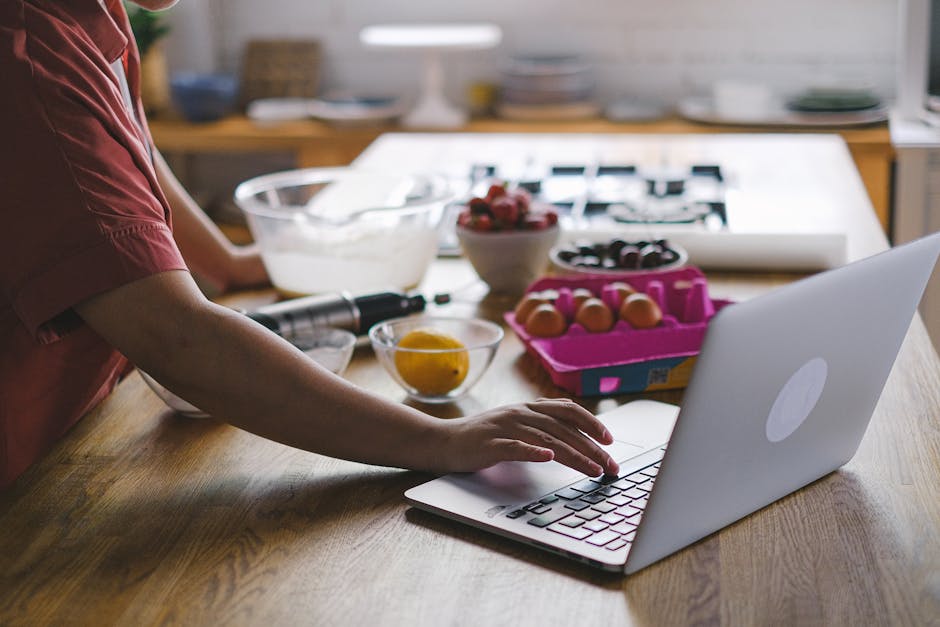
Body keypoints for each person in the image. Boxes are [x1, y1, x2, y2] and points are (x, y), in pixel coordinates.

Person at [0, 0, 618, 488]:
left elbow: (127, 150)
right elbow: (175, 337)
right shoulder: (31, 58)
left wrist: (228, 264)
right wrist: (440, 439)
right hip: (24, 473)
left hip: (82, 423)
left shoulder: (88, 13)